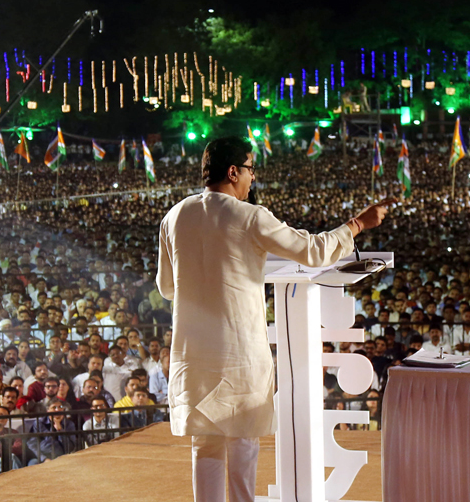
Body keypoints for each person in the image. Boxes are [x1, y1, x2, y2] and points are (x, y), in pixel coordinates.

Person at [156, 137, 391, 502]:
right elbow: (313, 251)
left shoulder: (174, 216)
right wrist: (358, 224)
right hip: (238, 357)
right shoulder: (249, 216)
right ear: (233, 172)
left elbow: (167, 287)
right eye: (250, 170)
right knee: (243, 449)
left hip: (193, 356)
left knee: (205, 449)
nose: (253, 179)